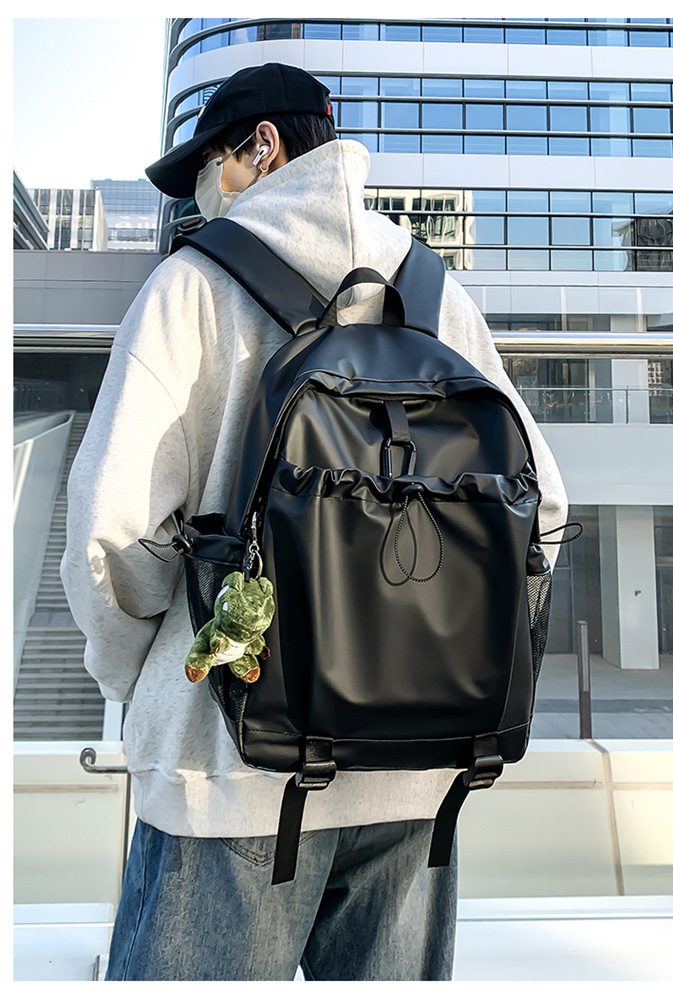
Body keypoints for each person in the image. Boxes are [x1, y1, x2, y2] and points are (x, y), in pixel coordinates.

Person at [60, 62, 568, 982]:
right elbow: (547, 510)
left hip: (227, 768)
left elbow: (113, 530)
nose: (204, 194)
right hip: (419, 767)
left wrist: (142, 679)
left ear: (262, 147)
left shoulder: (191, 285)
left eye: (209, 166)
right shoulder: (435, 291)